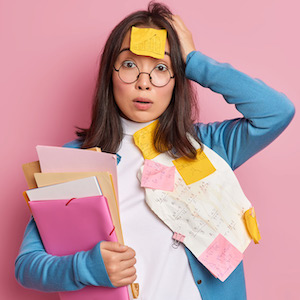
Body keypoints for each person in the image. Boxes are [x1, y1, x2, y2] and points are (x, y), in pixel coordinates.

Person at [15, 2, 295, 300]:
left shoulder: (207, 147)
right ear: (110, 74)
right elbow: (27, 265)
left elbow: (276, 111)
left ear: (177, 80)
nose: (144, 83)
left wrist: (194, 60)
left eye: (161, 68)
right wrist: (86, 266)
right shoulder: (74, 162)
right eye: (130, 65)